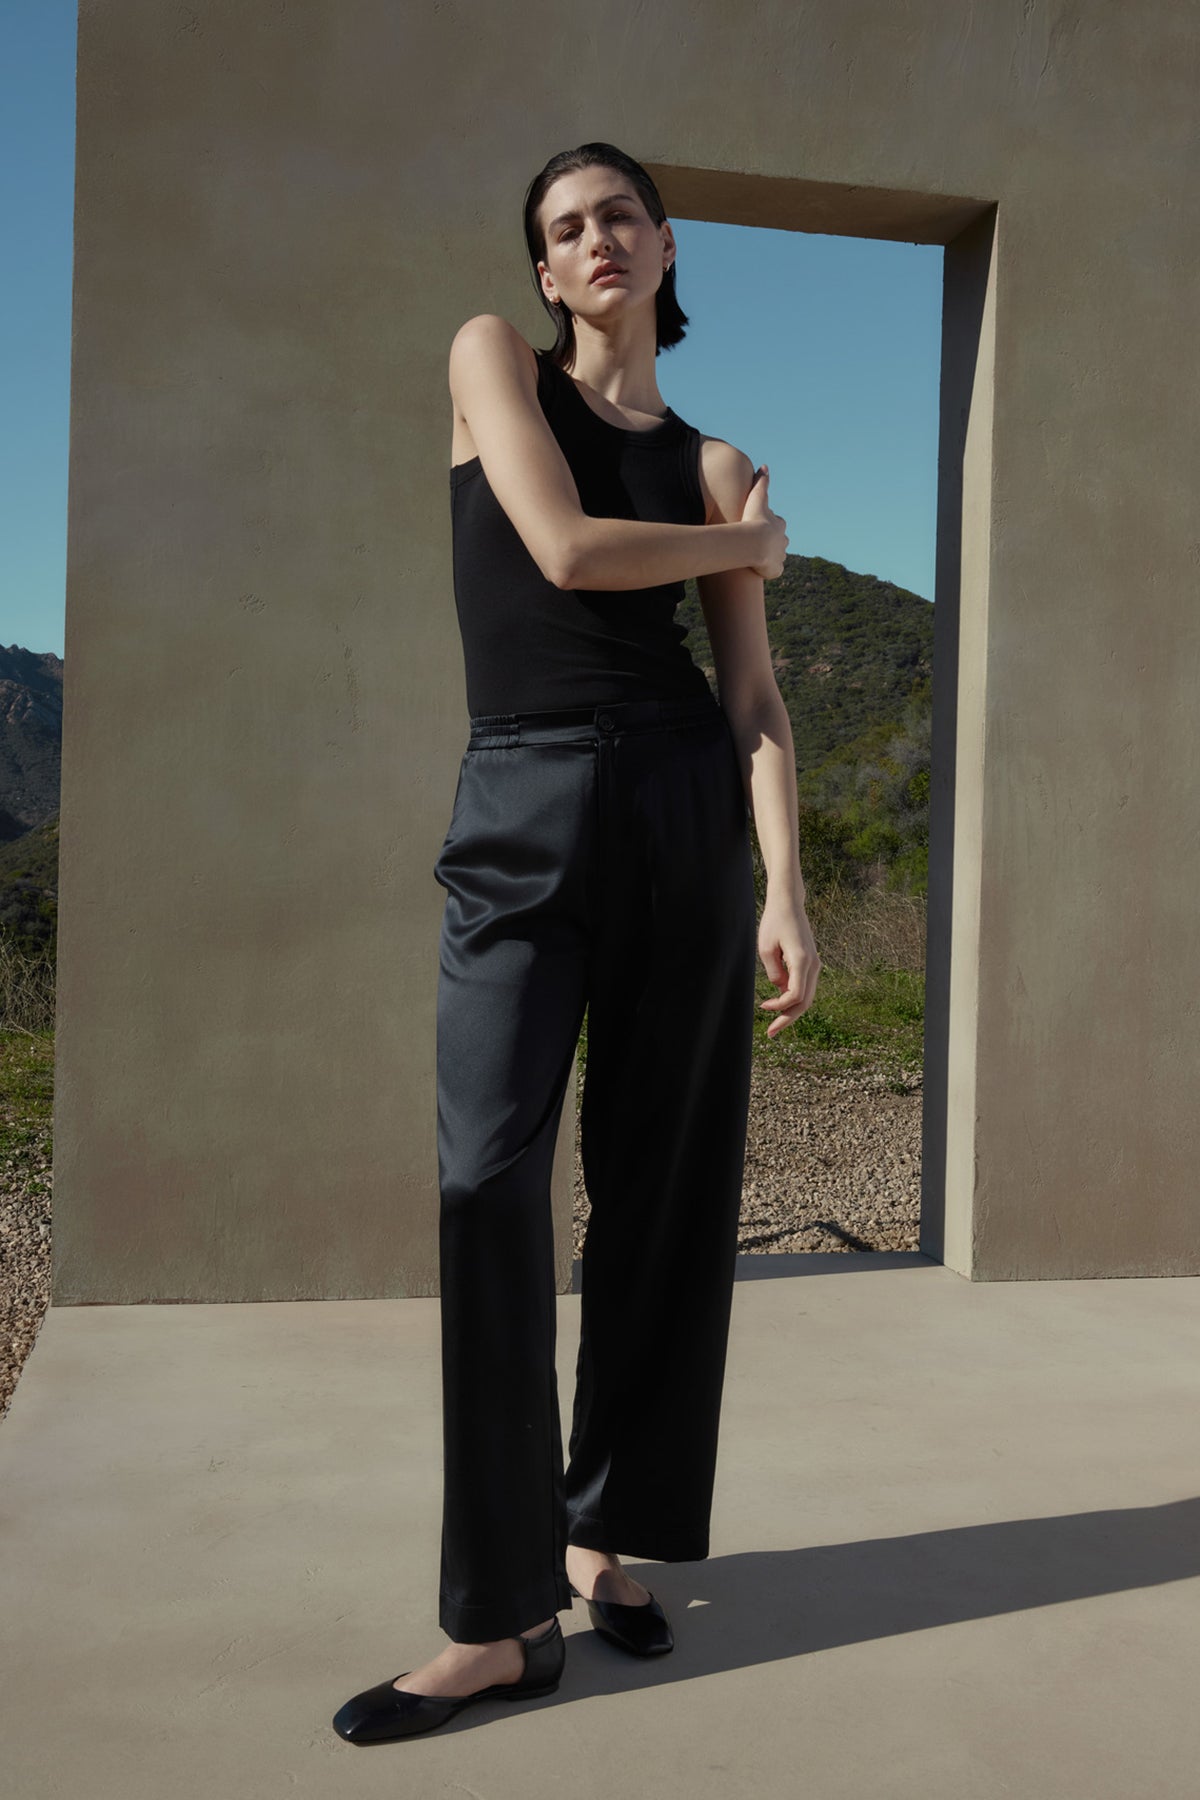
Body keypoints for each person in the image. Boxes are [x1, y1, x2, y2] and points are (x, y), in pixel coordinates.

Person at [333, 140, 821, 1746]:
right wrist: (743, 549)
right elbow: (556, 551)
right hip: (525, 805)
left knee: (662, 1199)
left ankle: (602, 1540)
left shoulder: (714, 456)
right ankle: (497, 1620)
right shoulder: (494, 365)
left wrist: (786, 888)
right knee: (487, 1178)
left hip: (684, 814)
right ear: (542, 272)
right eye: (565, 227)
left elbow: (752, 703)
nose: (593, 239)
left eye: (620, 214)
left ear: (668, 247)